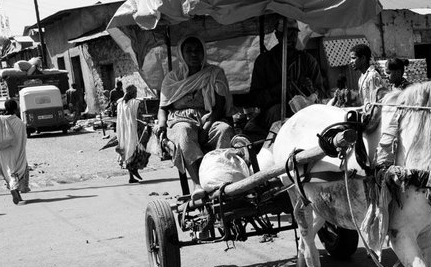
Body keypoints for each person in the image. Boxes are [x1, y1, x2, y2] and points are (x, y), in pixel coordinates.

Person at [157, 35, 233, 200]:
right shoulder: (172, 79)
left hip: (209, 117)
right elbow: (163, 108)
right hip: (180, 119)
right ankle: (197, 183)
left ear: (204, 52)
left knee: (224, 130)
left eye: (197, 50)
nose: (194, 54)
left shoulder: (214, 73)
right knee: (184, 133)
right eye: (189, 51)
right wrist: (161, 126)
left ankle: (221, 176)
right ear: (181, 54)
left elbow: (219, 107)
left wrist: (208, 124)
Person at [247, 18, 327, 132]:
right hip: (276, 113)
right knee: (278, 112)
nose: (290, 38)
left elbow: (322, 92)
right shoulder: (264, 61)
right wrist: (277, 90)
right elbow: (255, 99)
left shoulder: (307, 60)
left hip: (304, 109)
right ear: (277, 35)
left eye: (293, 34)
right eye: (286, 34)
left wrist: (311, 90)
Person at [0, 99, 30, 205]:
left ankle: (16, 194)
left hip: (0, 153)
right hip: (15, 153)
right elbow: (22, 140)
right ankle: (15, 191)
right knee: (16, 172)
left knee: (7, 172)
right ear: (16, 109)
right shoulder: (19, 122)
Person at [116, 84, 149, 183]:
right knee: (138, 151)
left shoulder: (120, 103)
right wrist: (144, 127)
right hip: (134, 130)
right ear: (133, 93)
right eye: (135, 92)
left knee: (127, 150)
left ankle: (131, 176)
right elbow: (139, 118)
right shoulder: (136, 103)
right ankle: (134, 169)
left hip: (123, 131)